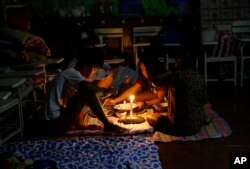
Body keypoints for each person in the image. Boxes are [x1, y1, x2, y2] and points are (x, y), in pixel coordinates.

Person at [45, 47, 124, 133]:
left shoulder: (74, 78)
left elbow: (77, 101)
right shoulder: (70, 73)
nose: (94, 73)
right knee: (88, 92)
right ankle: (108, 125)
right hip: (53, 122)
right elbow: (87, 88)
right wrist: (104, 91)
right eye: (95, 70)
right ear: (87, 66)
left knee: (84, 93)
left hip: (59, 119)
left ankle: (79, 123)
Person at [146, 54, 209, 136]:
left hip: (180, 127)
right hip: (197, 124)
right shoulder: (199, 77)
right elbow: (204, 100)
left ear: (179, 61)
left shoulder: (176, 75)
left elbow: (156, 82)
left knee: (150, 116)